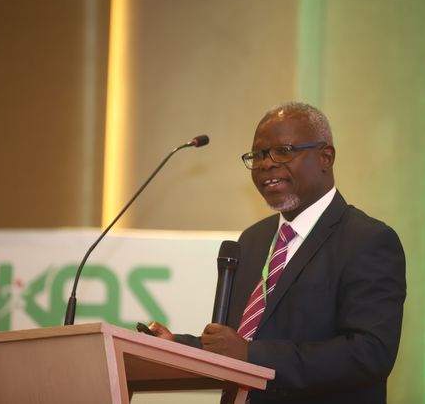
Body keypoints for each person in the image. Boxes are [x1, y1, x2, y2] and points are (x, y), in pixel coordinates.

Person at [149, 102, 406, 403]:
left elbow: (369, 354)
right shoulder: (252, 240)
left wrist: (252, 355)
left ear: (325, 157)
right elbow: (237, 346)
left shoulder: (367, 240)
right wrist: (176, 345)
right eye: (258, 155)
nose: (266, 164)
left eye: (283, 151)